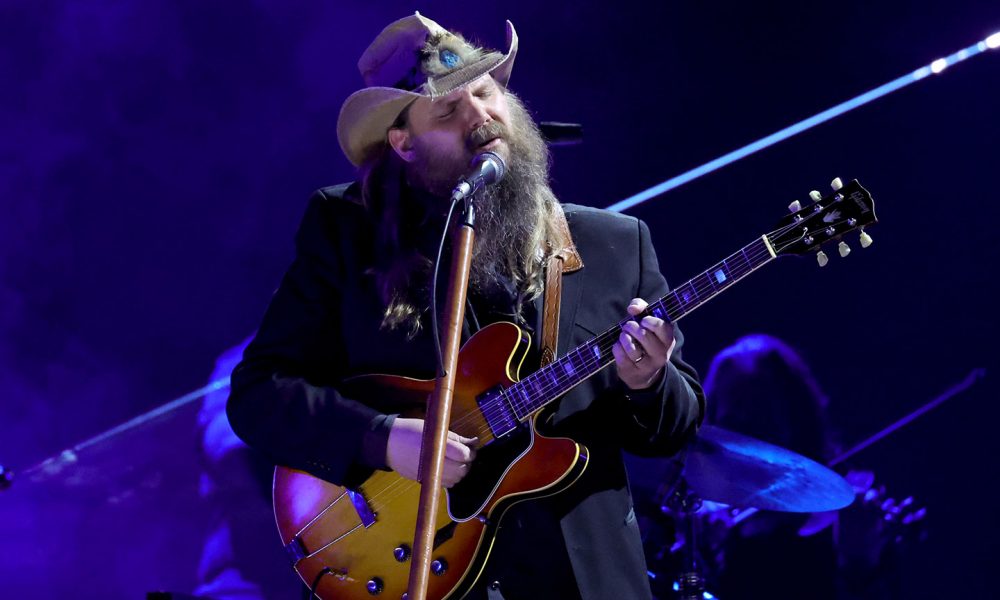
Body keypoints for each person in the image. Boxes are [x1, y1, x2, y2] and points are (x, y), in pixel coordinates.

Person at [226, 12, 704, 600]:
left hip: (580, 580)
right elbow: (258, 393)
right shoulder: (348, 229)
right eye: (449, 110)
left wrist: (647, 381)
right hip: (414, 571)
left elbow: (675, 427)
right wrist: (382, 438)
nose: (480, 117)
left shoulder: (613, 243)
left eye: (486, 92)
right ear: (402, 142)